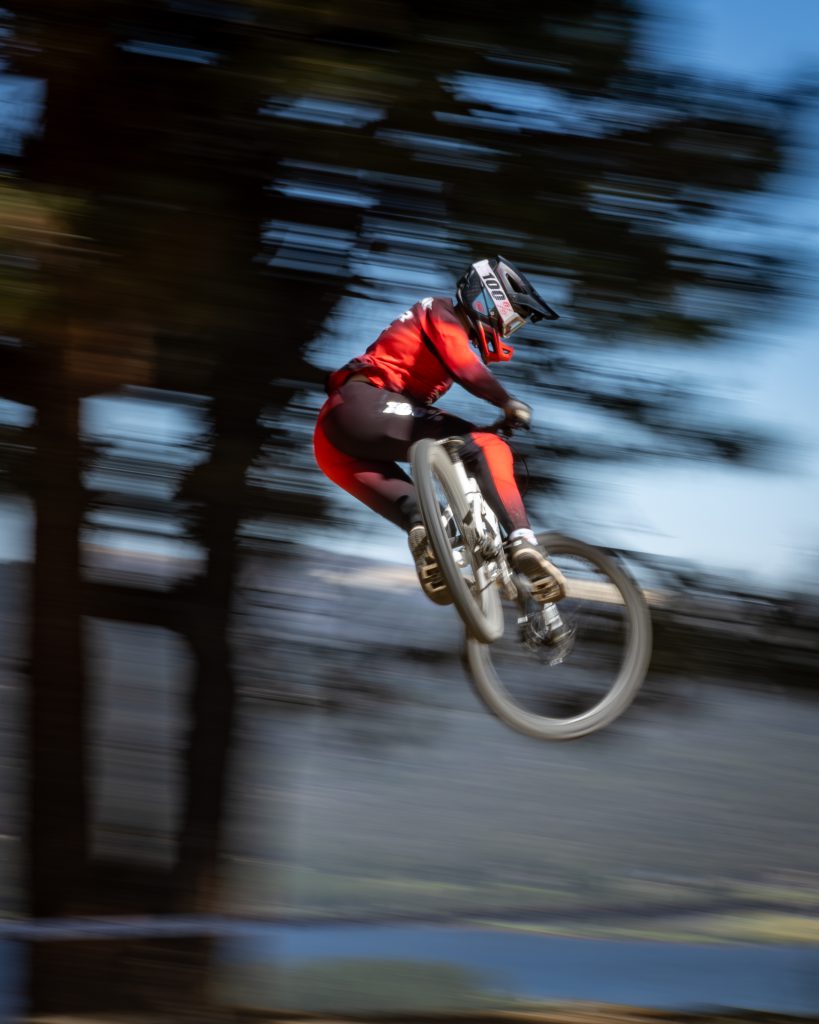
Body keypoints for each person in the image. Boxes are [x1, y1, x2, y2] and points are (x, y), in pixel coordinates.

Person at [313, 255, 567, 606]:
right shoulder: (441, 311)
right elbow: (465, 367)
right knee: (488, 447)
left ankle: (433, 552)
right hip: (364, 405)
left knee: (422, 516)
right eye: (510, 319)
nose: (508, 331)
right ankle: (523, 541)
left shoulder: (437, 322)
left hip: (333, 444)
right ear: (488, 299)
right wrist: (506, 402)